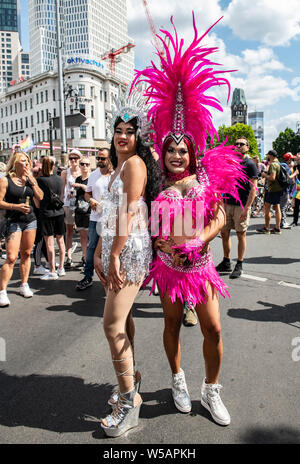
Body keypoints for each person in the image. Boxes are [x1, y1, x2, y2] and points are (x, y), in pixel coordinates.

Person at [133, 14, 246, 426]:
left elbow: (218, 217)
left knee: (213, 329)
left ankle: (211, 390)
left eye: (183, 150)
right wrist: (156, 240)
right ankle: (178, 379)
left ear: (193, 152)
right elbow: (141, 219)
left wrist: (202, 236)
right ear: (163, 154)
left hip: (199, 267)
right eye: (171, 150)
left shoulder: (206, 178)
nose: (177, 155)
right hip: (168, 268)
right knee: (172, 324)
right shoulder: (154, 183)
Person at [93, 93, 161, 437]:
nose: (122, 135)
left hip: (130, 248)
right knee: (126, 320)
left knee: (112, 324)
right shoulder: (118, 165)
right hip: (116, 246)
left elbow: (130, 210)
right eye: (118, 129)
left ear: (138, 137)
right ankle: (131, 381)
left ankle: (128, 402)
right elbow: (109, 212)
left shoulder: (134, 164)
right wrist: (101, 249)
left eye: (129, 131)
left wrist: (116, 253)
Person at [0, 151, 44, 306]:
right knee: (11, 257)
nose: (26, 164)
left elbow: (40, 196)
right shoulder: (6, 181)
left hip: (30, 220)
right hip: (13, 221)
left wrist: (32, 180)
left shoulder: (29, 180)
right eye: (22, 161)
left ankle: (24, 284)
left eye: (27, 162)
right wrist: (15, 206)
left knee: (26, 254)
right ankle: (2, 291)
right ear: (15, 163)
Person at [216, 137, 258, 278]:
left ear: (247, 146)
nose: (238, 146)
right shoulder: (230, 162)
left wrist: (247, 208)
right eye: (236, 144)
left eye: (242, 144)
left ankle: (239, 264)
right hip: (227, 203)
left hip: (241, 205)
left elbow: (253, 189)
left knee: (241, 234)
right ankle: (226, 261)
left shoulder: (250, 164)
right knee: (224, 233)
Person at [76, 148, 114, 290]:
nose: (99, 161)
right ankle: (87, 276)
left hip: (113, 219)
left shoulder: (117, 174)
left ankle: (114, 276)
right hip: (96, 218)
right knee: (91, 247)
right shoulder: (94, 175)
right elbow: (87, 194)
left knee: (112, 248)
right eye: (98, 158)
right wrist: (91, 200)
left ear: (110, 158)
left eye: (102, 158)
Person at [37, 156, 66, 280]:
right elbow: (62, 195)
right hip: (59, 212)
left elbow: (37, 200)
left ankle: (52, 270)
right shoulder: (60, 179)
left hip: (46, 213)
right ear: (53, 166)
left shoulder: (40, 180)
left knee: (49, 243)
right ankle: (61, 268)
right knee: (60, 240)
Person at [61, 149, 81, 268]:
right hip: (68, 204)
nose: (73, 160)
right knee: (69, 232)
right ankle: (69, 257)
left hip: (81, 205)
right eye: (71, 158)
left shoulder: (84, 170)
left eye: (76, 158)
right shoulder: (65, 172)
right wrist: (62, 201)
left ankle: (85, 257)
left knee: (84, 232)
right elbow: (62, 189)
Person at [257, 149, 283, 234]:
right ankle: (277, 228)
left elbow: (272, 178)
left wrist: (264, 175)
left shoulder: (273, 165)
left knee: (267, 207)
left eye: (268, 155)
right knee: (277, 207)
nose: (267, 156)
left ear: (271, 156)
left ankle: (267, 227)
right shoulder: (278, 163)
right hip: (278, 189)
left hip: (272, 189)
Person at [73, 156, 91, 267]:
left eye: (87, 164)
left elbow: (90, 190)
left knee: (90, 237)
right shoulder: (78, 178)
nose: (84, 166)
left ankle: (90, 259)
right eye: (82, 164)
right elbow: (76, 194)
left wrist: (81, 186)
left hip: (89, 210)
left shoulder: (92, 178)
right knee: (82, 236)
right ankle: (84, 257)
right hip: (79, 210)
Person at [289, 152, 300, 227]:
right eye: (297, 158)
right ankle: (295, 221)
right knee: (296, 205)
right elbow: (294, 176)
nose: (297, 160)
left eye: (299, 158)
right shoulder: (296, 166)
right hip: (298, 187)